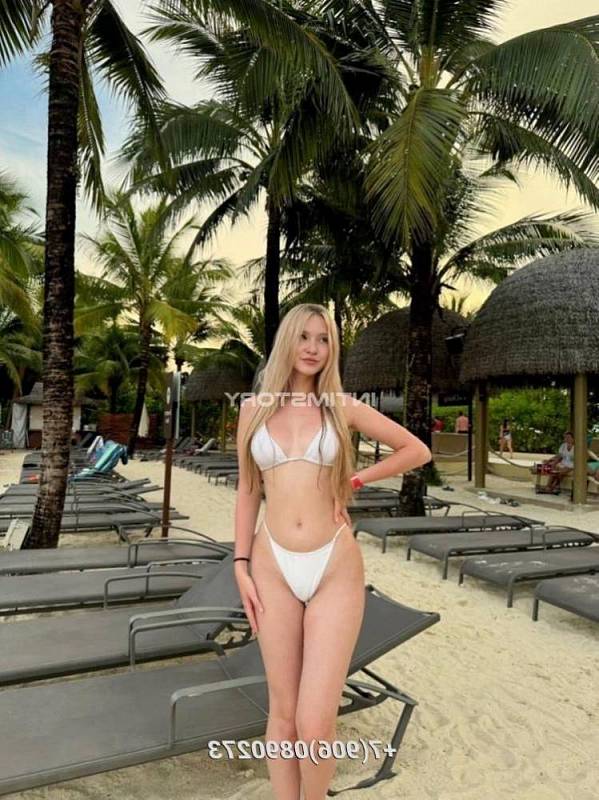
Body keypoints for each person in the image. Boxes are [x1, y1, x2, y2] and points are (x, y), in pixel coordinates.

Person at [234, 303, 431, 800]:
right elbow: (247, 489)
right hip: (272, 565)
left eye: (324, 339)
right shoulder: (253, 409)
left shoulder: (342, 407)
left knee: (315, 720)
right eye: (304, 337)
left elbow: (417, 450)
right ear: (287, 341)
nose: (313, 348)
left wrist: (356, 479)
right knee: (282, 713)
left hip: (333, 568)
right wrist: (240, 564)